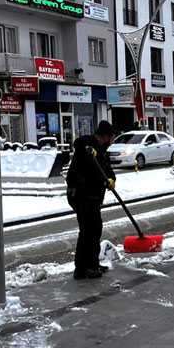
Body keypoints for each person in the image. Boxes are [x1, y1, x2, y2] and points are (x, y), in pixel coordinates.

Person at [66, 120, 118, 280]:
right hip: (81, 195)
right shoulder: (87, 146)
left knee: (95, 230)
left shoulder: (101, 151)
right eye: (111, 139)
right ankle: (81, 270)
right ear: (104, 137)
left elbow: (106, 170)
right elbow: (80, 145)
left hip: (92, 197)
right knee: (88, 231)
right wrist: (91, 151)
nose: (112, 142)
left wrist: (111, 179)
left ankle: (92, 265)